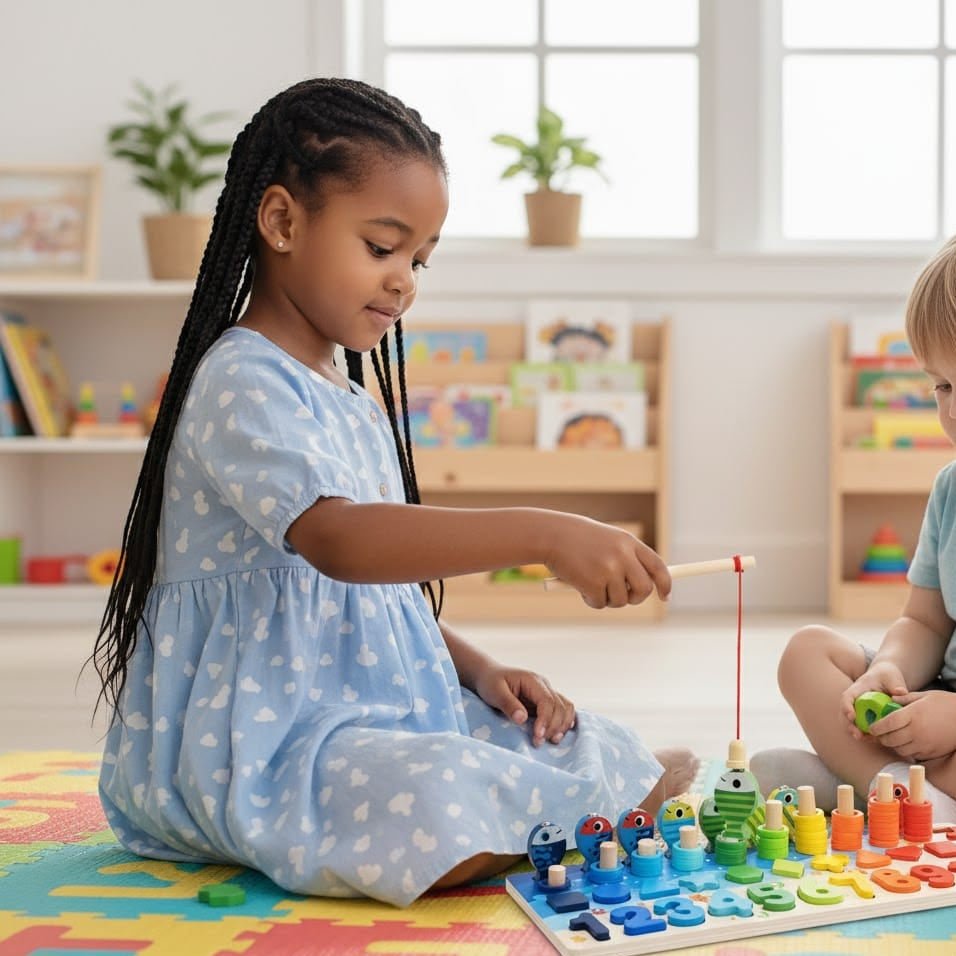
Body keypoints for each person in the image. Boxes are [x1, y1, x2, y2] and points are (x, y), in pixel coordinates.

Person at [91, 77, 697, 907]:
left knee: (561, 734)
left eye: (419, 259)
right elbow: (341, 546)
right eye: (381, 247)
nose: (405, 279)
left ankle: (565, 806)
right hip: (258, 748)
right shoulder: (240, 382)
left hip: (370, 713)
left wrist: (480, 669)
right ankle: (565, 819)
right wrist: (546, 533)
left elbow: (375, 601)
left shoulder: (346, 395)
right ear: (280, 222)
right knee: (438, 796)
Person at [751, 237, 956, 821]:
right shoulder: (950, 489)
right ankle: (897, 791)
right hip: (932, 699)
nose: (952, 411)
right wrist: (891, 670)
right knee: (806, 652)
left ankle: (870, 788)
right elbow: (924, 621)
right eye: (941, 386)